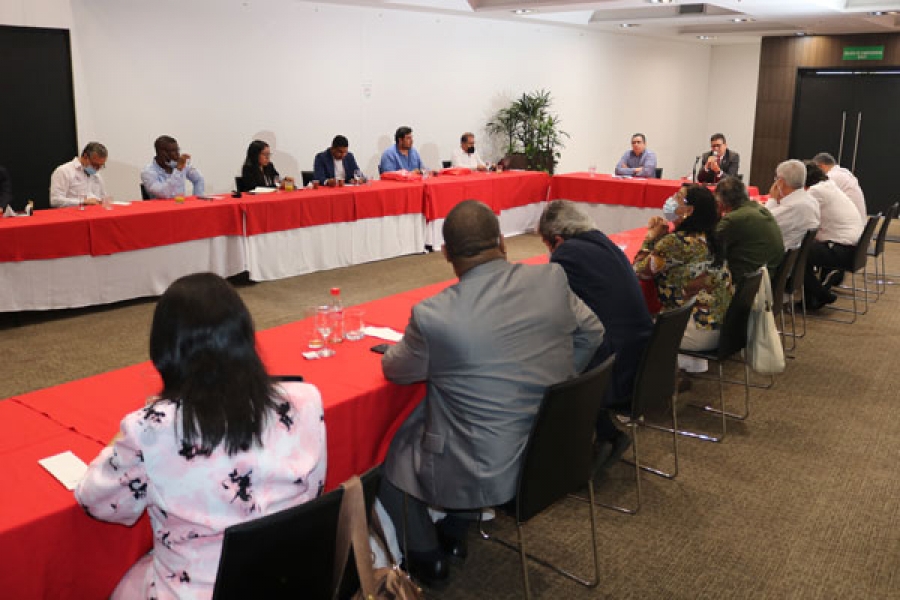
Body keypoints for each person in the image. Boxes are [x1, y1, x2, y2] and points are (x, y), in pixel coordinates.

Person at [378, 200, 603, 586]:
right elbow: (593, 332)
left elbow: (396, 370)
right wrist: (559, 387)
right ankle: (455, 529)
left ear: (446, 253)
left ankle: (426, 557)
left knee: (391, 457)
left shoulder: (434, 315)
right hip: (555, 449)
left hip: (492, 467)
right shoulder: (550, 280)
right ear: (502, 241)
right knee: (458, 424)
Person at [75, 273, 326, 599]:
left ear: (165, 351)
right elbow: (315, 489)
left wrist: (120, 437)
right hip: (288, 582)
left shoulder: (151, 427)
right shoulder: (305, 400)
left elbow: (95, 500)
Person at [538, 199, 653, 463]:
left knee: (553, 360)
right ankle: (605, 434)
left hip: (617, 367)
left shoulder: (567, 254)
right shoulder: (602, 241)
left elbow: (553, 310)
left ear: (557, 240)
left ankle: (579, 445)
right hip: (644, 358)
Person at [635, 185, 734, 354]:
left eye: (678, 197)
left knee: (633, 328)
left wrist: (650, 238)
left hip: (695, 330)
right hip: (722, 329)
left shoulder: (675, 243)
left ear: (689, 210)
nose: (672, 199)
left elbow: (639, 271)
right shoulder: (710, 237)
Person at [803, 162, 864, 310]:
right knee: (802, 249)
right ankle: (814, 295)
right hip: (852, 248)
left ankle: (819, 294)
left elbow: (802, 217)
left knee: (797, 254)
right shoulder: (829, 186)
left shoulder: (816, 191)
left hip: (841, 249)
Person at [715, 176, 784, 282]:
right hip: (768, 274)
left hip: (749, 282)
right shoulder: (760, 209)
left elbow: (710, 247)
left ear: (721, 201)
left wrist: (715, 214)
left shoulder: (733, 219)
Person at [765, 159, 821, 249]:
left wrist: (772, 199)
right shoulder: (811, 200)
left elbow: (761, 224)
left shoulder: (793, 206)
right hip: (793, 253)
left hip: (776, 254)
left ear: (780, 182)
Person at [141, 135, 205, 198]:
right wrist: (178, 170)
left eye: (178, 150)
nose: (178, 154)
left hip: (181, 204)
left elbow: (199, 179)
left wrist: (197, 199)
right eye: (173, 151)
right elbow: (164, 194)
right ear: (162, 153)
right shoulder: (148, 172)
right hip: (162, 205)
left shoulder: (180, 164)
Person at [49, 142, 109, 207]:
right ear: (85, 157)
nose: (97, 169)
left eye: (101, 166)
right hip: (72, 212)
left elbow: (103, 198)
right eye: (95, 165)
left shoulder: (97, 176)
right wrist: (82, 202)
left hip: (95, 212)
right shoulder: (64, 171)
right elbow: (55, 201)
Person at [812, 152, 867, 219]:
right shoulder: (844, 173)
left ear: (820, 166)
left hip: (850, 221)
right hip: (857, 221)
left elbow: (814, 197)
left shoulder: (832, 176)